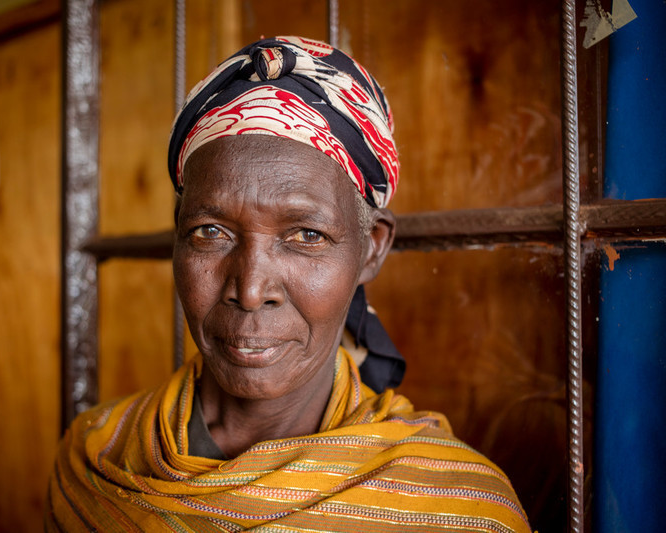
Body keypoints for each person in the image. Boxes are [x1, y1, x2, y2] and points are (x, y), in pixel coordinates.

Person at [46, 36, 530, 532]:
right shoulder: (97, 457)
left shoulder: (455, 507)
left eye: (306, 235)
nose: (251, 290)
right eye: (209, 232)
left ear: (372, 247)